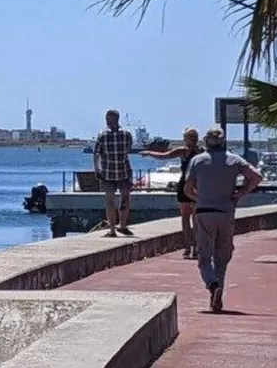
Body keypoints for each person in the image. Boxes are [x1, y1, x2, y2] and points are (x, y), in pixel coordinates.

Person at [184, 126, 262, 313]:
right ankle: (218, 292)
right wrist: (239, 194)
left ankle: (212, 285)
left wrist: (200, 198)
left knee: (204, 257)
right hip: (226, 211)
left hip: (204, 211)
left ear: (206, 140)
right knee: (222, 257)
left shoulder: (197, 160)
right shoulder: (234, 160)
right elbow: (257, 177)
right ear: (223, 141)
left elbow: (187, 189)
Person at [143, 128, 201, 258]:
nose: (190, 139)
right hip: (191, 186)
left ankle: (192, 247)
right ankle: (191, 247)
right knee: (190, 218)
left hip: (192, 186)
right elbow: (164, 156)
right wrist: (149, 152)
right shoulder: (191, 151)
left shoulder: (193, 152)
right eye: (189, 136)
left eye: (192, 137)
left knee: (191, 219)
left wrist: (149, 152)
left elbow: (164, 156)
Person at [93, 109, 137, 237]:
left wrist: (97, 169)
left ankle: (112, 229)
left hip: (107, 172)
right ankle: (122, 226)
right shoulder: (127, 134)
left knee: (110, 201)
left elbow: (96, 154)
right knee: (125, 199)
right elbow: (128, 149)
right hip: (124, 171)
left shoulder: (102, 134)